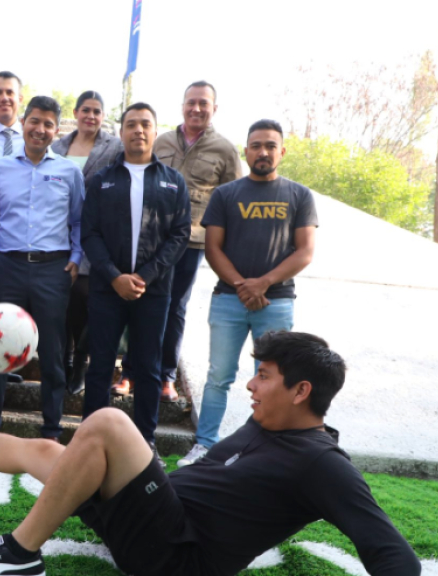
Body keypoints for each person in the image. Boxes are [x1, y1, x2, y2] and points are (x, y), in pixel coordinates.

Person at [0, 331, 421, 576]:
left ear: (302, 391)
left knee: (110, 422)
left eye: (265, 375)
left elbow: (394, 555)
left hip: (175, 557)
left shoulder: (322, 463)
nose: (252, 386)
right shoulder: (266, 425)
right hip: (154, 518)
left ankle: (19, 554)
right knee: (50, 449)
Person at [178, 119, 318, 467]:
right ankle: (204, 446)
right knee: (219, 376)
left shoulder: (299, 195)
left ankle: (262, 450)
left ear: (282, 152)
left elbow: (304, 252)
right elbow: (213, 249)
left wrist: (263, 283)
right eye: (256, 145)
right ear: (246, 151)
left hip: (276, 301)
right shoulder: (226, 194)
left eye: (271, 145)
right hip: (229, 300)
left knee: (274, 380)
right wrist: (245, 286)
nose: (263, 151)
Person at [81, 102, 191, 463]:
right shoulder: (102, 180)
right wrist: (114, 277)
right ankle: (90, 442)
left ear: (155, 130)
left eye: (146, 124)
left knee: (147, 367)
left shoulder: (173, 181)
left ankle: (145, 443)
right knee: (99, 365)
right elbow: (90, 233)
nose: (138, 130)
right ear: (122, 131)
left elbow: (180, 235)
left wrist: (144, 276)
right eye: (131, 124)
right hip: (106, 290)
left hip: (153, 292)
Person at [0, 96, 85, 440]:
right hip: (7, 268)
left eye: (48, 124)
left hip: (53, 271)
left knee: (53, 351)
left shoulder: (69, 171)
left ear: (57, 129)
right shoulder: (0, 169)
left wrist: (76, 258)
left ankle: (51, 427)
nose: (40, 130)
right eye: (34, 121)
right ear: (23, 122)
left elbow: (80, 221)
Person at [153, 81, 243, 403]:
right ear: (182, 105)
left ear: (214, 108)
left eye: (204, 103)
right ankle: (132, 372)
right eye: (191, 102)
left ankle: (165, 376)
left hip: (192, 242)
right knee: (144, 304)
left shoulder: (225, 150)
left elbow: (233, 200)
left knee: (175, 306)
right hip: (152, 240)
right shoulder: (161, 141)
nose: (197, 109)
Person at [51, 90, 124, 395]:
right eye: (85, 110)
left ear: (103, 116)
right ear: (76, 112)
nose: (90, 116)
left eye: (96, 111)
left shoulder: (115, 146)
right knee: (63, 303)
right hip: (59, 232)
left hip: (97, 232)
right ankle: (66, 362)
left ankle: (81, 360)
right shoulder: (57, 146)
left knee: (87, 298)